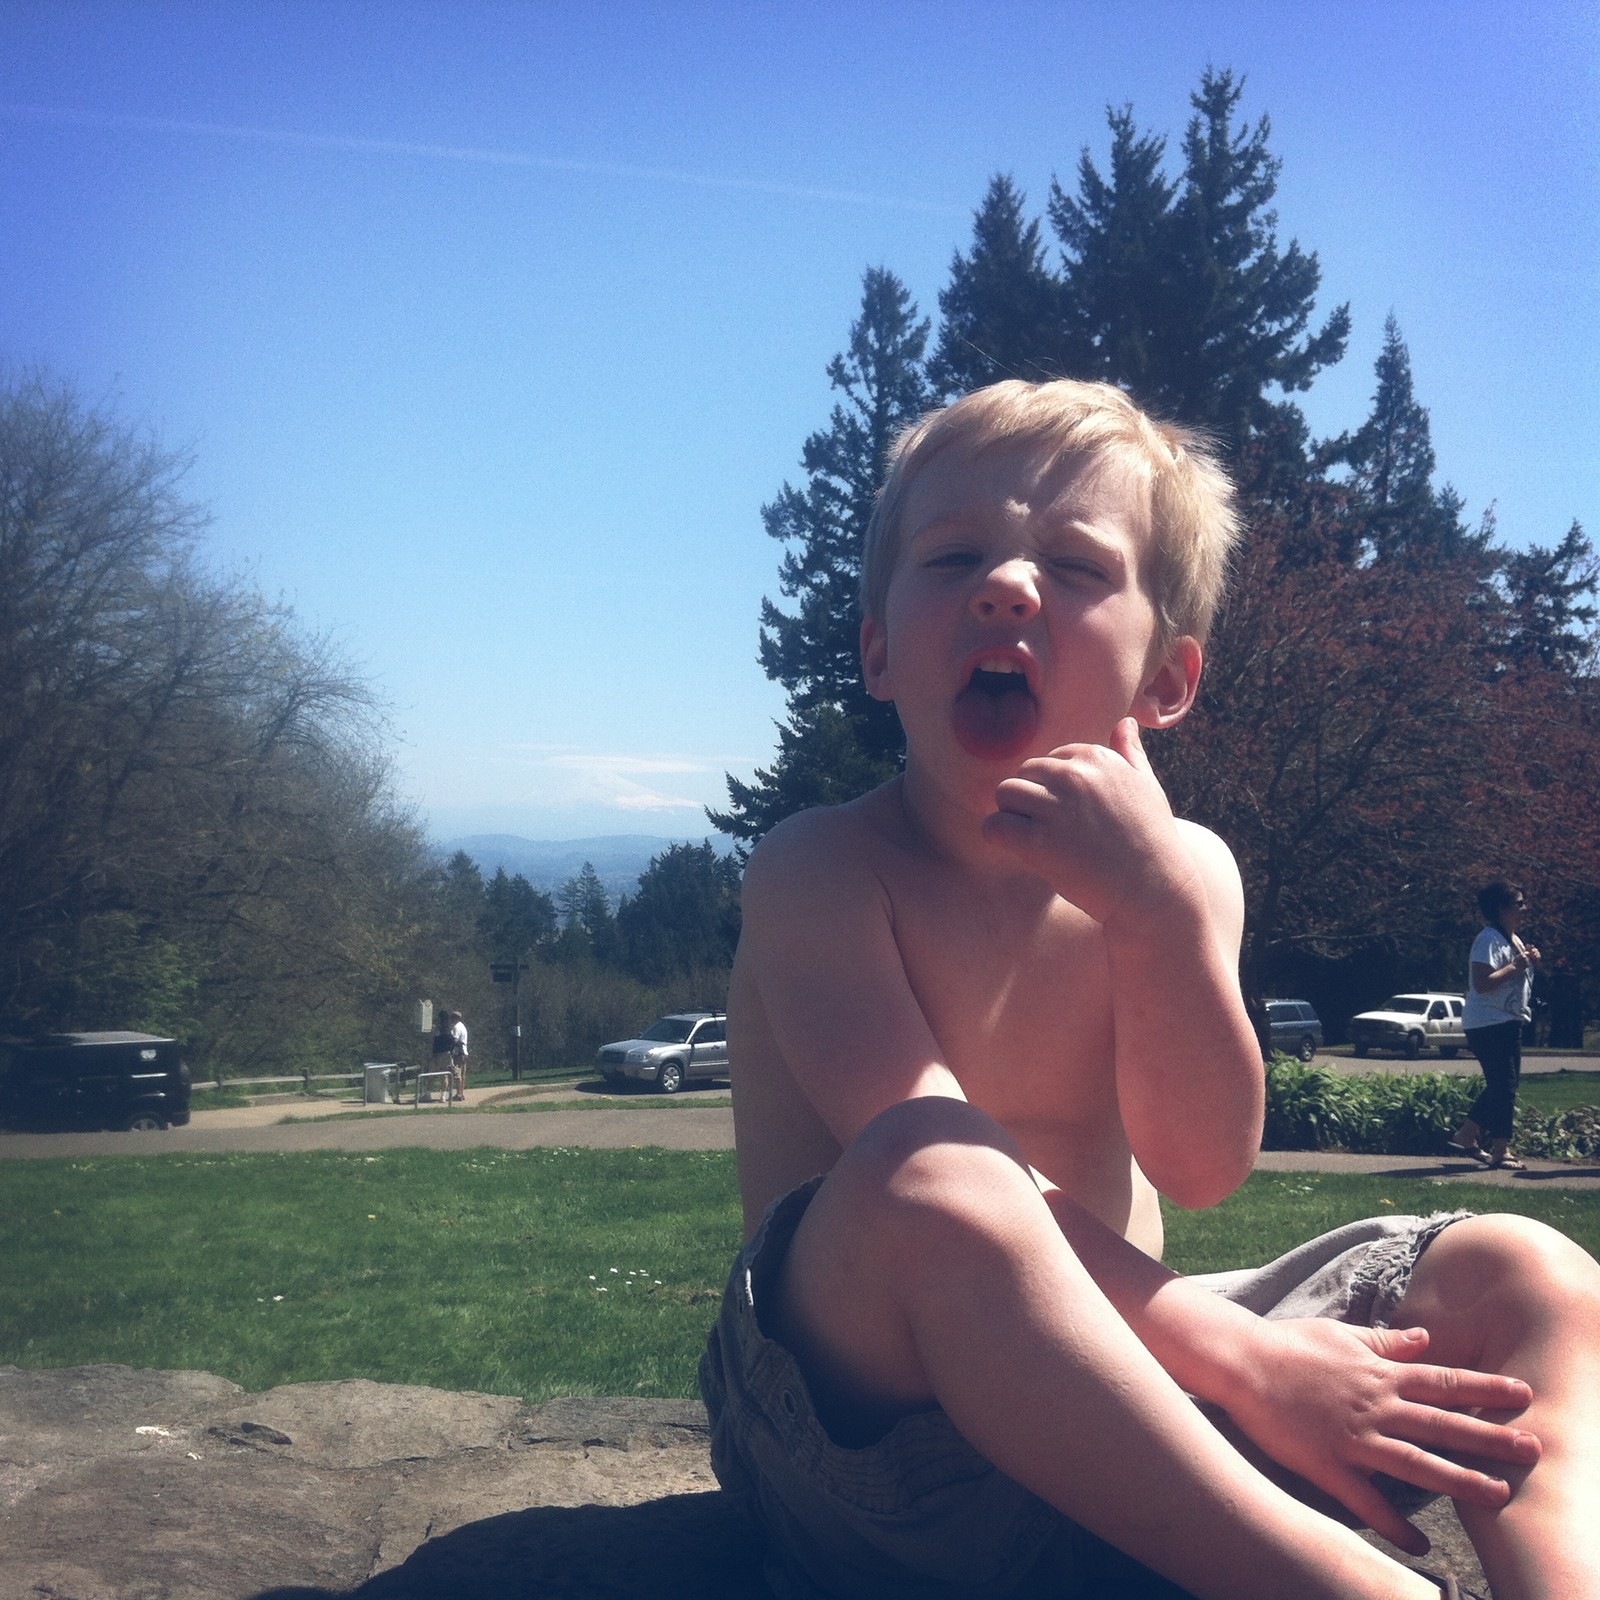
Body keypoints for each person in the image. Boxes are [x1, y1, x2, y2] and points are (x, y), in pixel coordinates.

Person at [698, 379, 1600, 1600]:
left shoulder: (1187, 877)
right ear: (876, 648)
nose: (1006, 585)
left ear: (1164, 680)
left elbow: (1200, 1164)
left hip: (1141, 1402)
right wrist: (1240, 1357)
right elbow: (929, 1189)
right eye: (954, 553)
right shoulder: (820, 867)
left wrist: (1154, 917)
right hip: (869, 1438)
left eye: (1074, 567)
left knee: (1531, 1273)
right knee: (938, 1166)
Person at [1450, 883, 1540, 1172]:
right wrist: (1517, 965)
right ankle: (1497, 1149)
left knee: (1505, 1086)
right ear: (1502, 908)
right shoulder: (1488, 938)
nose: (1524, 908)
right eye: (1519, 903)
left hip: (1508, 1021)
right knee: (1504, 1085)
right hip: (1488, 1023)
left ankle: (1472, 1136)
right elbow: (1483, 982)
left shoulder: (1513, 939)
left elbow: (1516, 970)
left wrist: (1528, 959)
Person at [448, 1010, 469, 1100]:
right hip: (464, 1052)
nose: (451, 1019)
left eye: (453, 1017)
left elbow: (455, 1040)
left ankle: (458, 1094)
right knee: (462, 1074)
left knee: (457, 1073)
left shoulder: (456, 1027)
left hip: (459, 1053)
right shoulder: (462, 1026)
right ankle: (461, 1093)